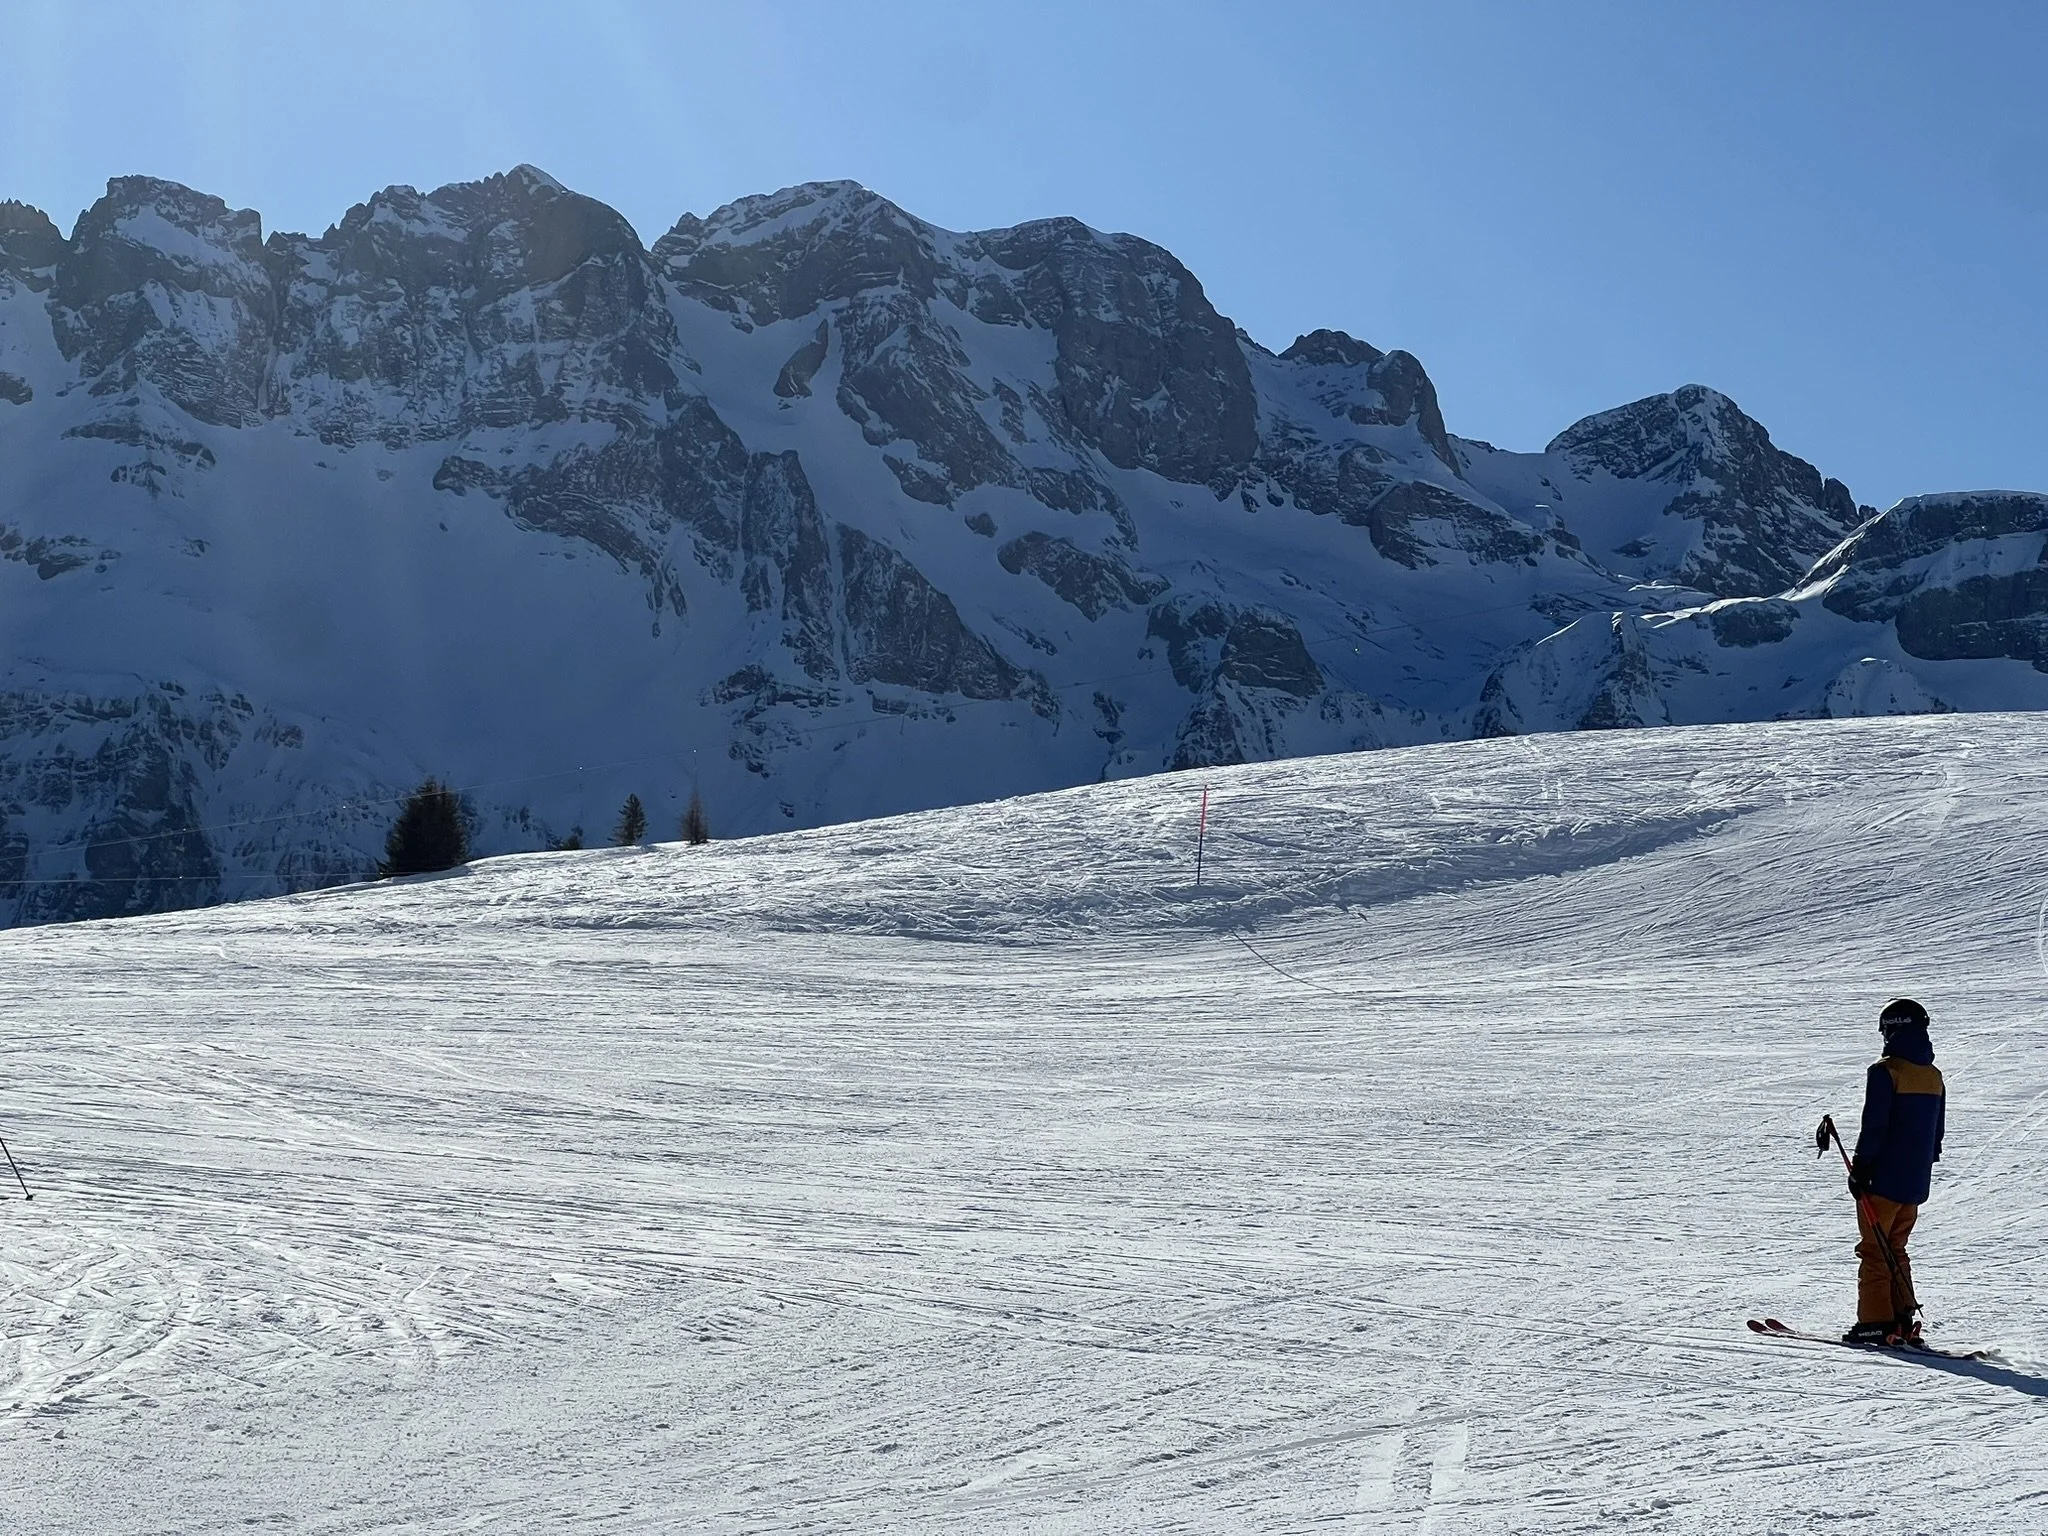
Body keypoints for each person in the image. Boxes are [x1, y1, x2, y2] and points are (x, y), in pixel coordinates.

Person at [1843, 997, 1946, 1345]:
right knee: (1895, 1247)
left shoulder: (1886, 1072)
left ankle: (1875, 1322)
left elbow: (1875, 1126)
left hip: (1883, 1180)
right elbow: (1937, 1134)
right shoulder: (1933, 1076)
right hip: (1915, 1183)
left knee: (1874, 1249)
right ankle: (1901, 1315)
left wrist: (1860, 1169)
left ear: (1891, 1030)